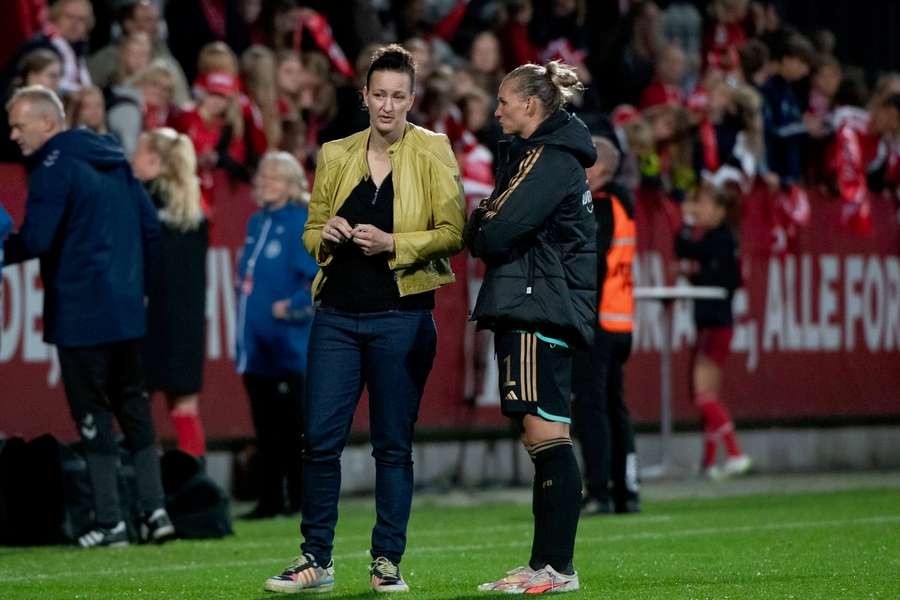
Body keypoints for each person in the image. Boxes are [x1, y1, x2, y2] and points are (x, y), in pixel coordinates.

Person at [263, 44, 465, 594]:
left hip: (402, 317)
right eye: (379, 94)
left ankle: (386, 561)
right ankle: (316, 560)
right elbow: (310, 231)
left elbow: (454, 231)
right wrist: (323, 238)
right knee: (320, 441)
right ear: (364, 96)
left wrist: (394, 243)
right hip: (337, 316)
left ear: (411, 99)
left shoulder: (433, 150)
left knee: (392, 445)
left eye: (398, 96)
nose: (388, 106)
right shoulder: (335, 153)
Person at [2, 86, 174, 547]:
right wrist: (140, 290)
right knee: (134, 407)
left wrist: (3, 248)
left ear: (47, 122)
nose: (14, 135)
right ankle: (155, 513)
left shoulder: (52, 165)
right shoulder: (113, 157)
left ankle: (110, 522)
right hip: (125, 311)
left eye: (19, 125)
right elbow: (150, 227)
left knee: (93, 414)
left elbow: (37, 238)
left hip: (80, 313)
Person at [464, 61, 598, 594]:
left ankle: (554, 568)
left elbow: (495, 233)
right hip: (543, 301)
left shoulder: (547, 159)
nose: (496, 109)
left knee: (544, 433)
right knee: (544, 432)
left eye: (503, 100)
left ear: (531, 105)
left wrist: (479, 219)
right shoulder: (548, 155)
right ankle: (548, 565)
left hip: (536, 303)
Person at [235, 151, 317, 520]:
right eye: (263, 177)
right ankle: (269, 499)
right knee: (265, 426)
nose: (266, 183)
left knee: (297, 427)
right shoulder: (255, 222)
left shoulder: (300, 221)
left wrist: (293, 307)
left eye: (275, 178)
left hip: (291, 344)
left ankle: (302, 498)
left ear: (292, 184)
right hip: (257, 346)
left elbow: (315, 277)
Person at [572, 137, 641, 516]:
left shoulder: (600, 206)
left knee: (591, 408)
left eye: (584, 162)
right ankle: (626, 488)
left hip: (597, 320)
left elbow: (591, 260)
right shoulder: (623, 203)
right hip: (621, 319)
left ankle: (598, 490)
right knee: (615, 407)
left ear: (599, 169)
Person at [131, 128, 209, 460]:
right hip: (187, 322)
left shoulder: (140, 201)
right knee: (185, 404)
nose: (131, 158)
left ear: (155, 160)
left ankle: (140, 482)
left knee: (135, 402)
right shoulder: (194, 210)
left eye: (138, 151)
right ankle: (196, 487)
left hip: (145, 317)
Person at [674, 178, 752, 479]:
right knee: (708, 394)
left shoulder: (718, 239)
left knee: (703, 394)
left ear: (720, 210)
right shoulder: (724, 240)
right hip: (718, 324)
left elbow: (685, 249)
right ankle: (709, 461)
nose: (698, 210)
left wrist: (685, 222)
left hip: (714, 324)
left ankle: (735, 453)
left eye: (703, 204)